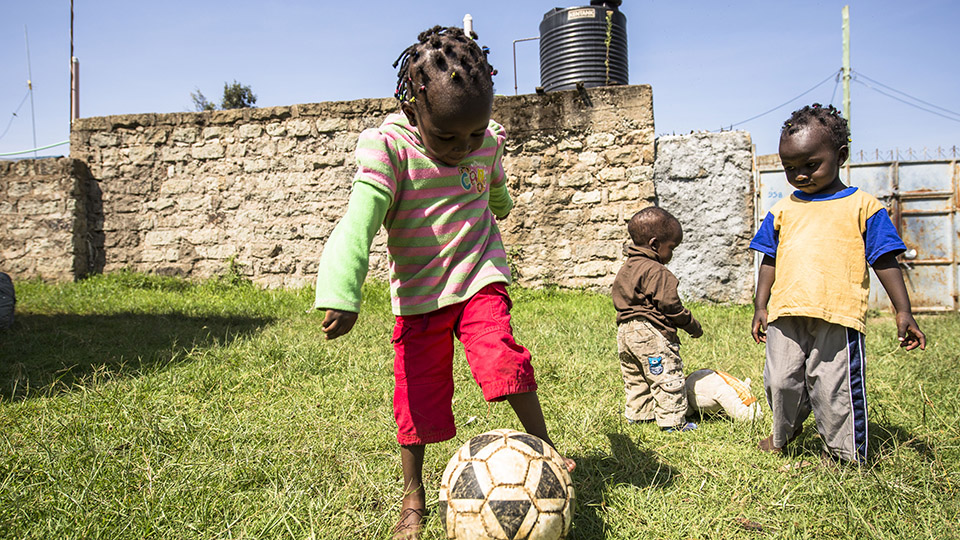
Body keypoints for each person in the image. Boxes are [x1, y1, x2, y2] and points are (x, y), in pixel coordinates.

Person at [313, 25, 574, 539]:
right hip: (420, 295)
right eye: (448, 137)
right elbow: (359, 221)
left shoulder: (487, 140)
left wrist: (501, 204)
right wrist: (342, 291)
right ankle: (413, 495)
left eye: (474, 133)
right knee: (416, 395)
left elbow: (492, 184)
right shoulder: (388, 148)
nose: (464, 147)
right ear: (414, 112)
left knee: (501, 356)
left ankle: (548, 453)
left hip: (480, 274)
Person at [750, 103, 926, 465]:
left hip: (838, 314)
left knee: (834, 388)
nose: (800, 175)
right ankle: (786, 431)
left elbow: (884, 258)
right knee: (780, 381)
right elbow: (769, 258)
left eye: (810, 165)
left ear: (840, 155)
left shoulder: (864, 207)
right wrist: (760, 305)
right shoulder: (782, 210)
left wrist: (903, 310)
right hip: (786, 311)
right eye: (790, 168)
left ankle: (845, 454)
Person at [611, 206, 703, 432]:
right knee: (666, 374)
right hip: (651, 332)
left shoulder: (627, 268)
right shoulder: (657, 271)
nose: (671, 254)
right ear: (654, 245)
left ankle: (639, 415)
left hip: (625, 332)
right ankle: (673, 422)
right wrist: (690, 324)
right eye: (671, 248)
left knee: (636, 376)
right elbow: (670, 305)